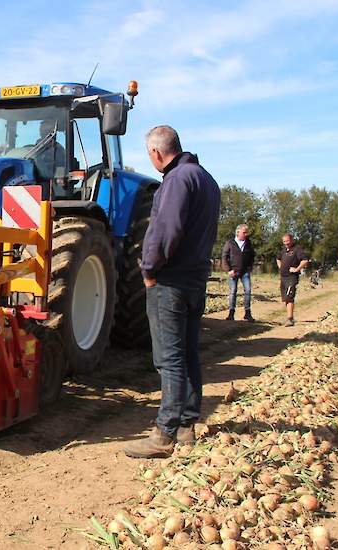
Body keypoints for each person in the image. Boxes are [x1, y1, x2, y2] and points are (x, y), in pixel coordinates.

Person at [124, 125, 220, 459]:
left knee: (169, 358)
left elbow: (165, 230)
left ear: (155, 153)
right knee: (188, 351)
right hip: (195, 279)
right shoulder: (206, 179)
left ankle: (164, 433)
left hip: (172, 282)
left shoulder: (177, 180)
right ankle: (186, 426)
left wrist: (149, 270)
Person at [221, 224, 256, 322]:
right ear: (238, 232)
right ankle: (231, 313)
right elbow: (224, 257)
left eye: (246, 232)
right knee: (233, 292)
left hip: (245, 272)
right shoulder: (230, 243)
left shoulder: (248, 243)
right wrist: (228, 270)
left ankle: (247, 313)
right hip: (233, 271)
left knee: (248, 291)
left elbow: (252, 256)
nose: (246, 234)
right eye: (244, 232)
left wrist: (249, 268)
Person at [276, 234, 309, 326]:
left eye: (287, 241)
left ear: (291, 240)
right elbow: (278, 259)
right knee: (285, 298)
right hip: (283, 277)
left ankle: (290, 319)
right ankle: (289, 317)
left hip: (291, 277)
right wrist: (281, 267)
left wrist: (297, 269)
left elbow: (305, 260)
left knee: (289, 297)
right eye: (284, 241)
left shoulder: (297, 249)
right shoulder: (283, 251)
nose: (286, 243)